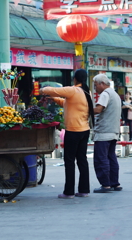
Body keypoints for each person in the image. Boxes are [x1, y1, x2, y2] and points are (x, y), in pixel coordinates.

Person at [39, 69, 94, 198]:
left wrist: (42, 90)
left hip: (73, 131)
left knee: (69, 161)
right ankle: (84, 190)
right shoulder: (86, 92)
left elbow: (53, 89)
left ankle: (69, 192)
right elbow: (67, 103)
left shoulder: (73, 90)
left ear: (75, 79)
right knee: (82, 160)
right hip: (84, 130)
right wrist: (53, 99)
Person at [92, 74, 122, 193]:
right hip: (113, 131)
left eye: (96, 85)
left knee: (101, 159)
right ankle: (115, 183)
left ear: (102, 84)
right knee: (111, 158)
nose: (95, 89)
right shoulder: (115, 94)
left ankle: (105, 185)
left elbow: (98, 109)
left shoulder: (105, 94)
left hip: (104, 132)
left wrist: (85, 109)